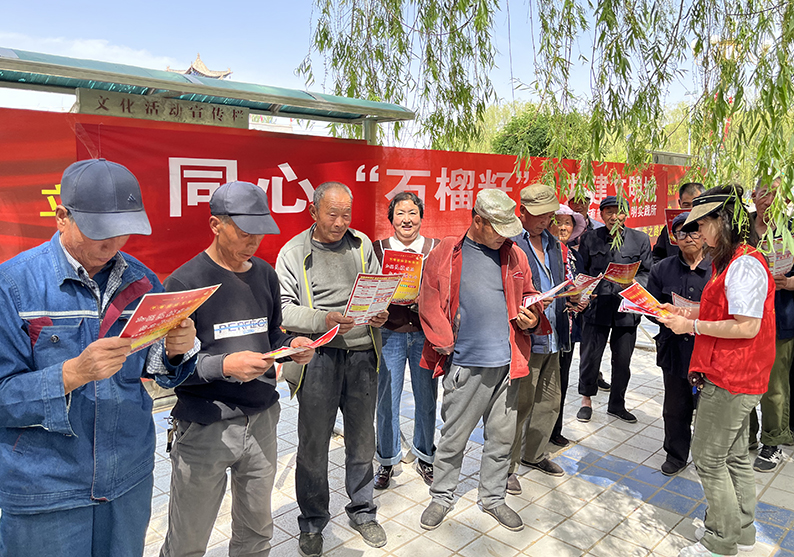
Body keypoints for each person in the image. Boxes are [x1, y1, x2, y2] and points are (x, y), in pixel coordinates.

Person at [0, 159, 199, 557]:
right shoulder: (13, 286)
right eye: (99, 231)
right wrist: (71, 374)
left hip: (127, 478)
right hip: (46, 487)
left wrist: (176, 351)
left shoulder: (142, 282)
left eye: (123, 230)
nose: (112, 244)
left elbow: (156, 369)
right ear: (62, 217)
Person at [159, 182, 316, 557]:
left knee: (256, 532)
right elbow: (168, 367)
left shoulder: (264, 274)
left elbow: (271, 333)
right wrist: (224, 366)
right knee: (188, 540)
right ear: (216, 224)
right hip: (205, 426)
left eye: (260, 233)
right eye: (245, 232)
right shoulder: (184, 282)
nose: (254, 242)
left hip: (261, 419)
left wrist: (291, 347)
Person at [659, 185, 773, 557]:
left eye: (702, 224)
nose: (699, 234)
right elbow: (725, 311)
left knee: (708, 458)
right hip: (734, 373)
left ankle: (719, 540)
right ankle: (742, 530)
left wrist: (691, 325)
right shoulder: (733, 260)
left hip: (732, 377)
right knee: (735, 456)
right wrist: (685, 312)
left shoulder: (744, 264)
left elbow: (747, 326)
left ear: (722, 222)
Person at [417, 189, 541, 533]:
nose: (504, 236)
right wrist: (444, 342)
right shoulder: (447, 252)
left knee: (501, 439)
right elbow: (428, 300)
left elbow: (530, 294)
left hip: (508, 363)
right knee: (453, 437)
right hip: (466, 364)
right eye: (498, 229)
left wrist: (532, 316)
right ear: (477, 221)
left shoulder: (514, 255)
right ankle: (442, 496)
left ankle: (493, 497)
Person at [275, 182, 389, 557]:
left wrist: (380, 312)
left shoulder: (362, 245)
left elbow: (377, 289)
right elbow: (283, 309)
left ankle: (363, 511)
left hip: (362, 356)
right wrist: (323, 319)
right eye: (332, 214)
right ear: (313, 212)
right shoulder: (294, 252)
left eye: (346, 215)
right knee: (313, 445)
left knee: (362, 440)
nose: (340, 223)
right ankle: (312, 522)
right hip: (318, 357)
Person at [371, 192, 439, 489]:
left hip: (425, 333)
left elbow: (444, 289)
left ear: (421, 217)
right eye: (400, 213)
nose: (407, 220)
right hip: (390, 333)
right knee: (387, 400)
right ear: (391, 219)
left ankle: (425, 455)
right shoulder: (378, 249)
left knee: (426, 397)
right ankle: (387, 460)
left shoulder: (434, 248)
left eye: (413, 213)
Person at [506, 184, 568, 494]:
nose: (546, 220)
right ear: (523, 212)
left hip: (553, 333)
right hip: (526, 336)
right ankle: (507, 466)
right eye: (540, 215)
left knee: (549, 401)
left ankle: (534, 453)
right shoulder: (511, 244)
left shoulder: (553, 243)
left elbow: (558, 282)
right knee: (519, 404)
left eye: (549, 215)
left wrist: (573, 297)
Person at [576, 195, 652, 423]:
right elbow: (582, 270)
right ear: (601, 214)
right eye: (608, 211)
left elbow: (648, 272)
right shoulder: (590, 238)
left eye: (618, 211)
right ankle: (586, 400)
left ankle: (617, 404)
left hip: (626, 309)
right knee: (590, 357)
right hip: (596, 307)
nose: (614, 216)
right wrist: (584, 292)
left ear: (626, 214)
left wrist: (635, 282)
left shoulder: (640, 239)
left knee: (622, 360)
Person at [646, 212, 711, 476]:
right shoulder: (662, 269)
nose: (688, 238)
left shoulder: (719, 269)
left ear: (704, 234)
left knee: (708, 408)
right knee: (675, 407)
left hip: (708, 350)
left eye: (694, 231)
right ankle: (675, 454)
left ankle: (709, 459)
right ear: (674, 238)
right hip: (673, 347)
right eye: (681, 233)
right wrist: (664, 315)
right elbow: (651, 307)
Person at [748, 176, 794, 471]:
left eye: (776, 195)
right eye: (764, 193)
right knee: (743, 379)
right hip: (745, 317)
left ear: (786, 200)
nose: (769, 200)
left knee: (774, 385)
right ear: (753, 195)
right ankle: (747, 435)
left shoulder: (791, 229)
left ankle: (773, 441)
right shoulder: (740, 227)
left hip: (780, 315)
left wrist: (789, 283)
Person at [549, 205, 586, 447]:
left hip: (569, 329)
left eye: (568, 223)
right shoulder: (542, 252)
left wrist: (583, 300)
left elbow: (581, 286)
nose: (563, 228)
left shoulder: (575, 256)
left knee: (561, 380)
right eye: (558, 222)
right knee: (543, 384)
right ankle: (535, 434)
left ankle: (555, 429)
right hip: (546, 328)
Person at [652, 182, 706, 265]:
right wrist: (664, 269)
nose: (691, 209)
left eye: (695, 204)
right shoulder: (669, 229)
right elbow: (657, 256)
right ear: (679, 203)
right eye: (686, 205)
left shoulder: (712, 227)